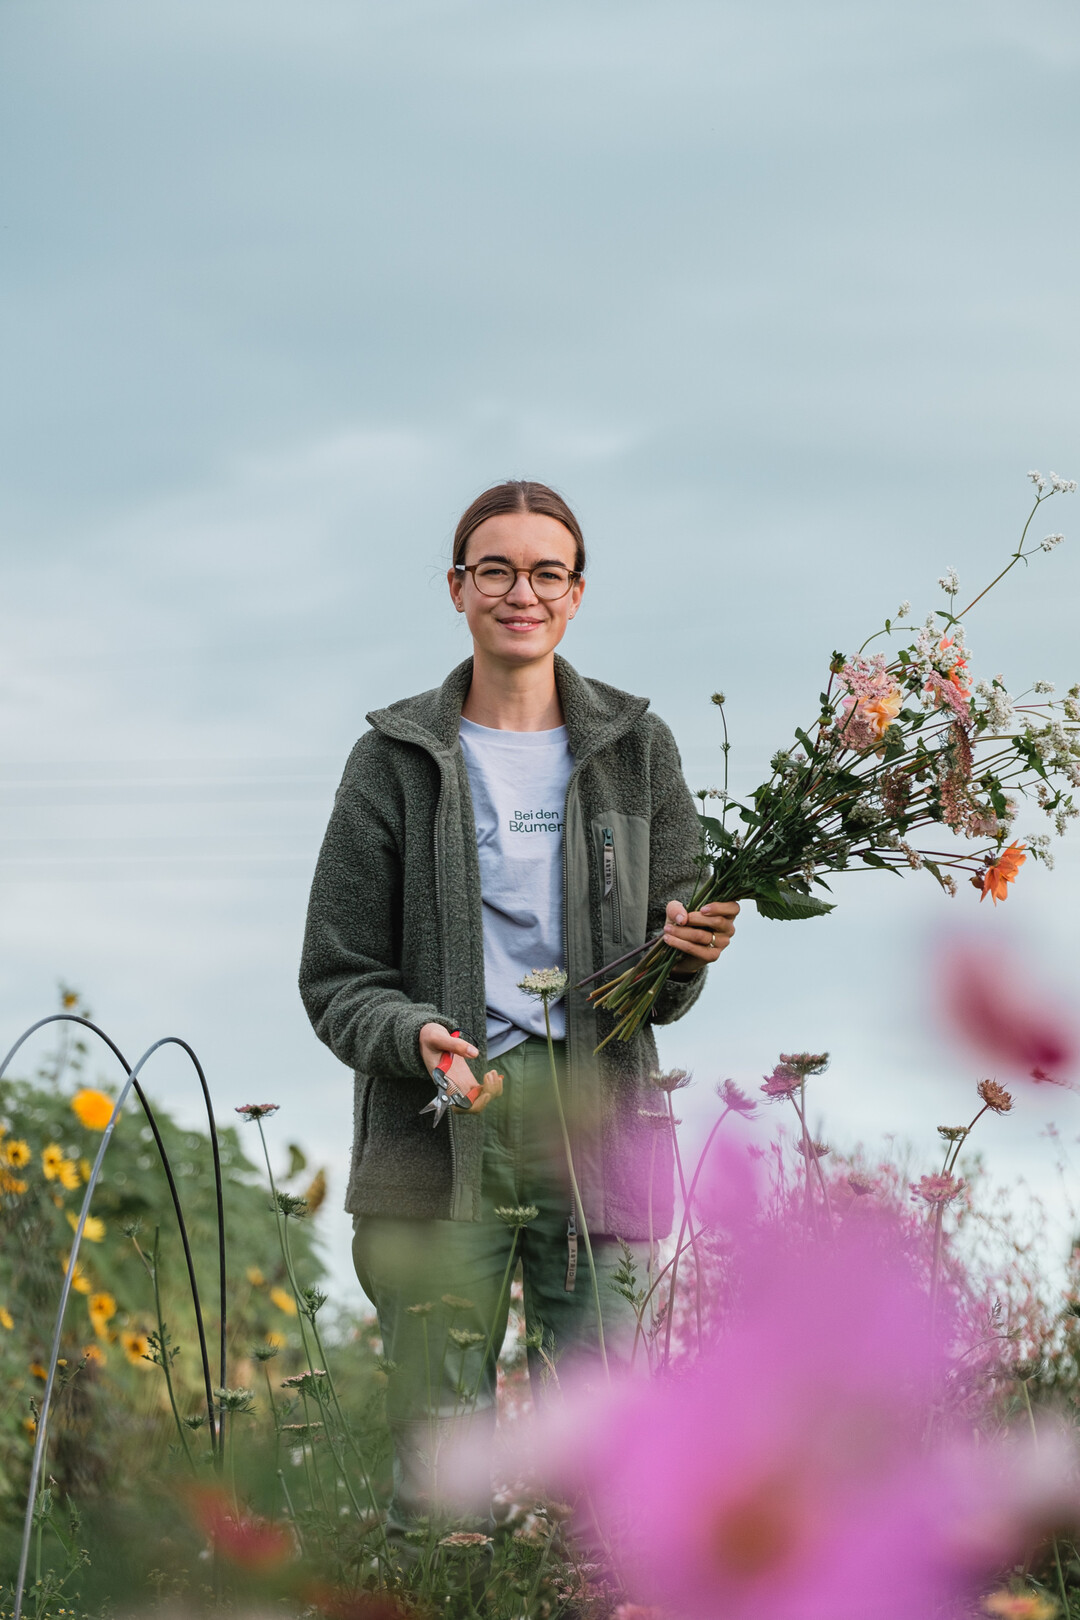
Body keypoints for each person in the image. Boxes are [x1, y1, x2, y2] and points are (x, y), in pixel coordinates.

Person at [299, 479, 738, 1541]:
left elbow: (670, 981)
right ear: (457, 588)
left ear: (577, 594)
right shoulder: (393, 760)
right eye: (495, 569)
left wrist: (688, 957)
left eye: (546, 571)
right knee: (441, 1470)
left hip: (600, 1121)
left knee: (607, 1464)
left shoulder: (641, 749)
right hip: (439, 1122)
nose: (520, 591)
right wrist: (412, 1037)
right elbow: (335, 973)